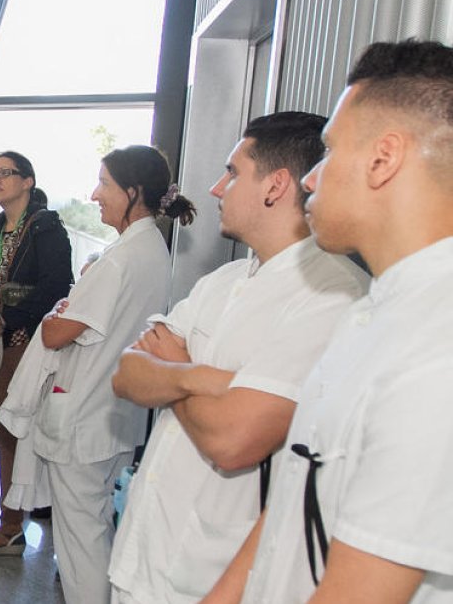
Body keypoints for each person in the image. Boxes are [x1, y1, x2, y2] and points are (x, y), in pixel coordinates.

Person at [204, 41, 453, 603]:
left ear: (383, 159)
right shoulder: (374, 315)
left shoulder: (437, 349)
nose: (311, 180)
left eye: (329, 152)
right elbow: (293, 498)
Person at [108, 113, 368, 603]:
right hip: (141, 557)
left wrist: (174, 373)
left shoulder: (333, 295)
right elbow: (127, 374)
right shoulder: (221, 282)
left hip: (213, 577)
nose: (214, 188)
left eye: (231, 172)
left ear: (275, 186)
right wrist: (213, 379)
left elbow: (233, 441)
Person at [27, 145, 195, 604]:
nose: (94, 194)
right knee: (96, 528)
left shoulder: (118, 259)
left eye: (104, 184)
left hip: (85, 412)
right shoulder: (151, 250)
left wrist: (53, 317)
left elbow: (59, 334)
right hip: (113, 413)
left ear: (133, 192)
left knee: (81, 541)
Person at [0, 151, 73, 559]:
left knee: (24, 434)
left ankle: (16, 522)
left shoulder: (45, 227)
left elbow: (56, 286)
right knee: (7, 436)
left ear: (28, 180)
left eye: (5, 174)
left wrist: (7, 316)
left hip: (29, 343)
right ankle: (12, 522)